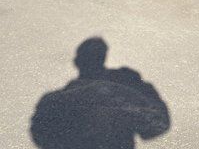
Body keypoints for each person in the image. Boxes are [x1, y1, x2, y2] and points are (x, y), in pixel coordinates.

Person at [31, 37, 170, 149]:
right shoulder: (121, 90)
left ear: (77, 62)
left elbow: (41, 134)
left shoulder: (55, 101)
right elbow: (156, 124)